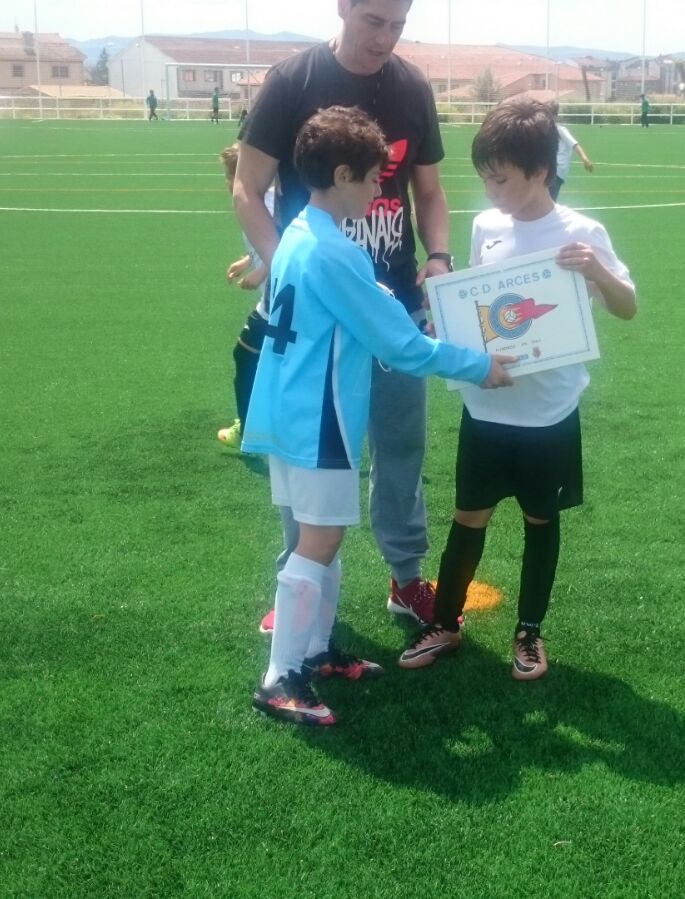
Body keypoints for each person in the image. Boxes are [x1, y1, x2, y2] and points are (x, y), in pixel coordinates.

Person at [245, 106, 513, 726]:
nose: (378, 192)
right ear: (342, 175)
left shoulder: (298, 231)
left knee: (321, 538)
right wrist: (478, 365)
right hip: (319, 417)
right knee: (318, 541)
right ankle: (280, 677)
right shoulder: (334, 252)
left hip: (287, 409)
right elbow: (401, 346)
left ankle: (315, 651)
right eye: (372, 179)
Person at [233, 0, 455, 631]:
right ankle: (297, 584)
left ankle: (406, 579)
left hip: (393, 306)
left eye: (398, 25)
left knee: (401, 446)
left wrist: (439, 256)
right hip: (315, 323)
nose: (385, 38)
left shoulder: (412, 87)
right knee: (309, 452)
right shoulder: (293, 81)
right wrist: (284, 264)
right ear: (343, 7)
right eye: (373, 21)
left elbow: (429, 191)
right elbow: (247, 187)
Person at [398, 97, 636, 681]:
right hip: (487, 405)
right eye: (485, 178)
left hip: (549, 412)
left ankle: (529, 632)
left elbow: (627, 306)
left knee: (540, 521)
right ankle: (445, 623)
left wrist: (596, 271)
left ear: (540, 171)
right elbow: (481, 304)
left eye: (500, 179)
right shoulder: (487, 225)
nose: (491, 190)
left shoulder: (581, 233)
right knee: (467, 517)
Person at [215, 144, 273, 450]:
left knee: (246, 355)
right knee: (259, 359)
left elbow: (287, 241)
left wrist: (261, 272)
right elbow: (263, 241)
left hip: (280, 300)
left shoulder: (265, 201)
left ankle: (249, 431)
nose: (228, 182)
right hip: (276, 299)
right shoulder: (257, 199)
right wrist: (248, 260)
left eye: (229, 175)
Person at [548, 100, 594, 202]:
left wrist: (584, 158)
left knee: (549, 200)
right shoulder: (549, 130)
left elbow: (574, 144)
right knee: (547, 199)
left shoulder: (560, 130)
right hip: (552, 169)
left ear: (555, 116)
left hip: (557, 170)